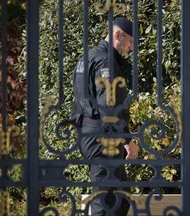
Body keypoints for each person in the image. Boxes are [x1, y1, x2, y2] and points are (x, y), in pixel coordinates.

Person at [71, 16, 138, 215]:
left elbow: (78, 100)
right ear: (118, 35)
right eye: (130, 42)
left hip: (91, 132)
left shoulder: (87, 57)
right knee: (105, 201)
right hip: (102, 138)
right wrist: (127, 138)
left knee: (120, 198)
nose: (131, 48)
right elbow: (109, 106)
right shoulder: (105, 61)